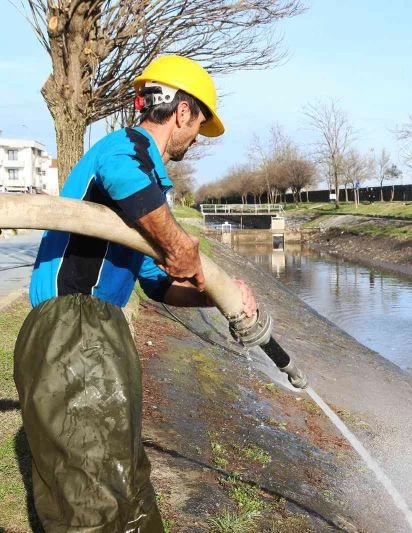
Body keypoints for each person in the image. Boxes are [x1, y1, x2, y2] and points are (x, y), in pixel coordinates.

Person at [14, 55, 255, 532]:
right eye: (199, 124)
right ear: (183, 112)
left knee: (128, 487)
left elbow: (157, 281)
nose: (194, 138)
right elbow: (138, 197)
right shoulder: (125, 148)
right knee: (91, 503)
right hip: (72, 330)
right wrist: (180, 245)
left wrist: (216, 296)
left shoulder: (142, 200)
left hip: (97, 332)